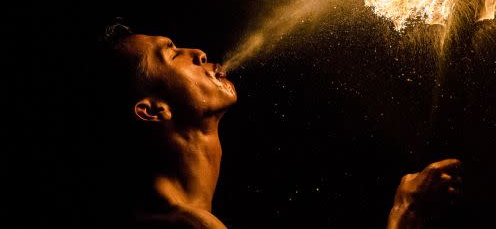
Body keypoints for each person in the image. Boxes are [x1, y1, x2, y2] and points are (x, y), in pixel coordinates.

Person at [97, 23, 461, 228]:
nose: (199, 53)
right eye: (172, 54)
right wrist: (405, 217)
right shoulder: (187, 226)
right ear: (152, 110)